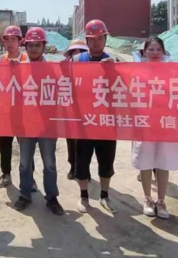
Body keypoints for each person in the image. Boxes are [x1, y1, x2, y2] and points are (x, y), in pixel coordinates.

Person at [13, 28, 64, 215]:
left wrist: (67, 70)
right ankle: (25, 194)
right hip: (26, 124)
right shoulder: (18, 68)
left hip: (47, 125)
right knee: (25, 162)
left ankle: (52, 197)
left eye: (37, 45)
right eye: (30, 45)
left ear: (44, 47)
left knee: (49, 163)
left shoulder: (54, 68)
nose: (34, 48)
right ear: (25, 47)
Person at [133, 37, 178, 220]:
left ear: (163, 52)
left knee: (163, 161)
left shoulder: (172, 71)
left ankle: (161, 200)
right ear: (144, 52)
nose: (155, 53)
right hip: (144, 122)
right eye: (151, 49)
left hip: (165, 122)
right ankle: (147, 198)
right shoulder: (136, 71)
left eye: (158, 49)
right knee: (145, 161)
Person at [73, 20, 118, 214]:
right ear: (87, 40)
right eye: (92, 39)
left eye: (100, 38)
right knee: (82, 161)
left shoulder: (114, 61)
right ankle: (84, 196)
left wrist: (114, 70)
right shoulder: (77, 60)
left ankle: (104, 195)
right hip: (84, 121)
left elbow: (126, 87)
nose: (97, 42)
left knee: (106, 161)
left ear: (106, 39)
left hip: (107, 121)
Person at [0, 25, 28, 190]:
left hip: (24, 110)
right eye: (7, 40)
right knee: (4, 144)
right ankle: (6, 173)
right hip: (5, 109)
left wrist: (20, 67)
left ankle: (28, 177)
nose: (10, 43)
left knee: (26, 145)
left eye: (13, 39)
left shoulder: (27, 59)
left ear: (20, 41)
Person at [62, 39, 88, 180]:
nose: (77, 54)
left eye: (81, 52)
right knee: (71, 140)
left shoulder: (92, 66)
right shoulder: (65, 67)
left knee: (84, 142)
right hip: (70, 109)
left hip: (87, 111)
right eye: (74, 52)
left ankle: (84, 169)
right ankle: (73, 166)